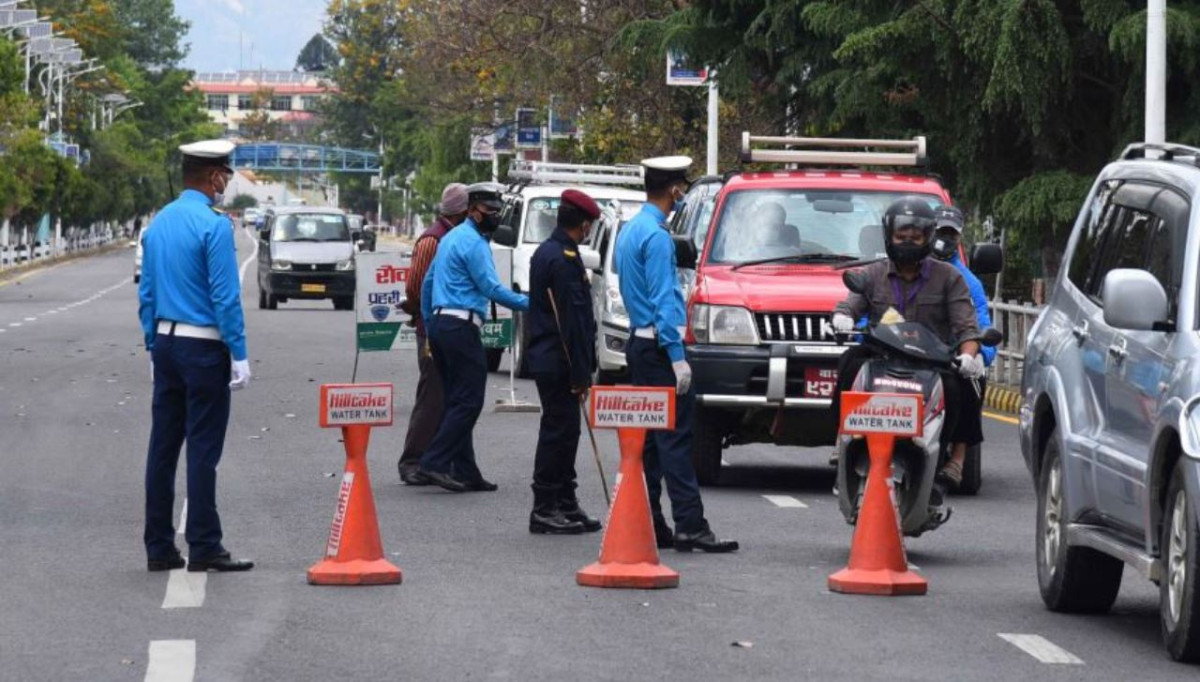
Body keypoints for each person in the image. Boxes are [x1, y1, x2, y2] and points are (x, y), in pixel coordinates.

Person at [138, 139, 254, 573]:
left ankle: (158, 547)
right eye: (225, 173)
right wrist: (239, 352)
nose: (226, 181)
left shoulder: (159, 222)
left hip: (166, 343)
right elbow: (225, 298)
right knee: (203, 449)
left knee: (162, 448)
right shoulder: (214, 225)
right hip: (204, 346)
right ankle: (205, 545)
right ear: (213, 176)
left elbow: (147, 293)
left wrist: (152, 344)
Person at [613, 156, 739, 553]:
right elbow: (664, 298)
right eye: (681, 187)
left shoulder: (631, 230)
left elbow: (624, 278)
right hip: (659, 347)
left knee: (650, 440)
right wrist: (676, 355)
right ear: (673, 190)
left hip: (638, 342)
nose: (682, 193)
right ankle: (690, 524)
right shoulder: (658, 237)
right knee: (675, 438)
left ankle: (653, 522)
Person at [830, 198, 984, 488]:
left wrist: (968, 356)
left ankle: (951, 459)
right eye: (902, 236)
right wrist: (843, 317)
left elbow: (967, 328)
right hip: (882, 357)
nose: (908, 242)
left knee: (963, 386)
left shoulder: (950, 277)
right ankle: (842, 438)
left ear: (928, 238)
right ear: (889, 237)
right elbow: (850, 305)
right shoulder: (874, 274)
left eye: (916, 237)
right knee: (849, 362)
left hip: (932, 362)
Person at [415, 182, 529, 492]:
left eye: (497, 211)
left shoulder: (451, 238)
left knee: (457, 399)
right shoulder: (475, 244)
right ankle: (434, 461)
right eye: (490, 211)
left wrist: (428, 326)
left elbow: (427, 285)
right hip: (461, 326)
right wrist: (532, 303)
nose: (495, 216)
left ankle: (466, 470)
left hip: (441, 325)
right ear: (473, 211)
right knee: (469, 401)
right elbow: (491, 289)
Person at [526, 189, 602, 535]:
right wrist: (581, 372)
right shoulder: (562, 259)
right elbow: (570, 321)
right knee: (558, 432)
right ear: (584, 226)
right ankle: (545, 507)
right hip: (559, 359)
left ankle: (565, 501)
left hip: (552, 357)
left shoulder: (551, 252)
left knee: (567, 431)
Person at [396, 183, 469, 485]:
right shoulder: (432, 241)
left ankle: (439, 460)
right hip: (432, 329)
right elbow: (415, 287)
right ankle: (413, 460)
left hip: (451, 329)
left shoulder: (454, 237)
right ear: (462, 212)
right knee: (432, 396)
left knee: (451, 397)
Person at [930, 205, 994, 489]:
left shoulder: (970, 283)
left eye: (950, 233)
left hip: (950, 355)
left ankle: (957, 457)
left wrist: (980, 354)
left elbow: (981, 324)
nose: (944, 238)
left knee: (970, 382)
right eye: (939, 232)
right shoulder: (909, 268)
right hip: (911, 349)